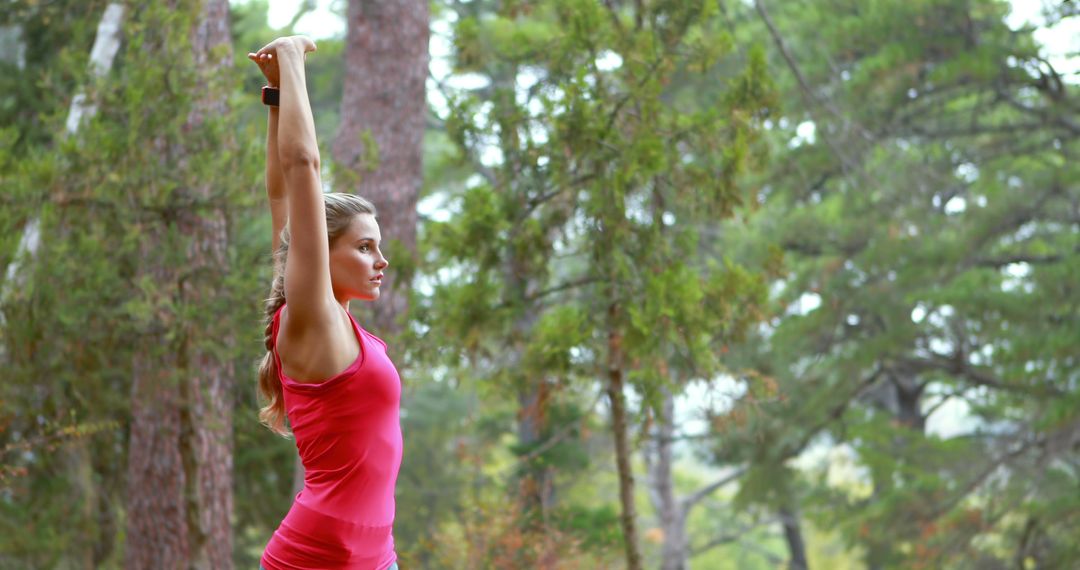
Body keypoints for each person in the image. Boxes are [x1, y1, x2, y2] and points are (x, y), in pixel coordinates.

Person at [247, 36, 402, 570]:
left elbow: (278, 198)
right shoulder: (311, 317)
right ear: (322, 253)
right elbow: (301, 170)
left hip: (376, 557)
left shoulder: (333, 320)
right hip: (317, 558)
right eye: (364, 247)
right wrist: (293, 64)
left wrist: (275, 97)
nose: (380, 260)